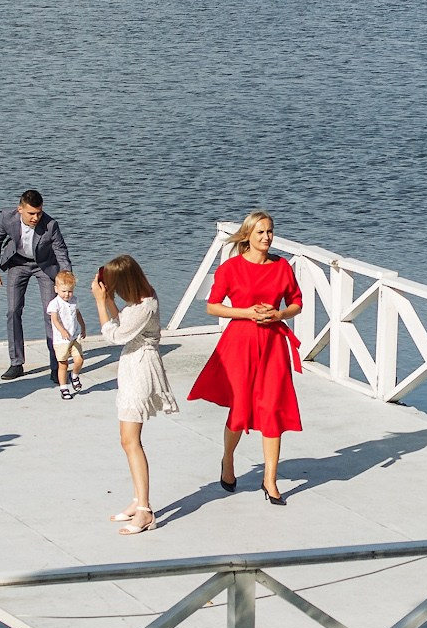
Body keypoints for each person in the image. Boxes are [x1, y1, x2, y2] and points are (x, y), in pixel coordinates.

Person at [187, 210, 302, 506]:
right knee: (239, 408)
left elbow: (296, 303)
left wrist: (279, 314)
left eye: (270, 232)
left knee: (273, 408)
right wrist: (247, 312)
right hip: (240, 343)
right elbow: (213, 307)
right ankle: (228, 460)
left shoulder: (282, 268)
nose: (267, 237)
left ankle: (270, 480)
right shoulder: (231, 269)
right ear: (248, 236)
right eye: (261, 232)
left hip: (273, 342)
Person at [93, 255, 177, 534]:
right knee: (127, 440)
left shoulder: (144, 306)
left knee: (131, 441)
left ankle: (145, 510)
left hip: (140, 370)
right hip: (134, 366)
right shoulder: (141, 300)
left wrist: (99, 301)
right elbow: (122, 322)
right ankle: (137, 500)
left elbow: (113, 335)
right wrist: (108, 301)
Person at [0, 189, 72, 381]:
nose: (35, 218)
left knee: (51, 313)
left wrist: (66, 278)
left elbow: (61, 252)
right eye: (31, 213)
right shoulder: (7, 218)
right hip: (17, 263)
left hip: (44, 266)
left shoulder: (50, 225)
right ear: (20, 209)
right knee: (13, 311)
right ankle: (16, 363)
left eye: (39, 213)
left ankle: (56, 366)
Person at [48, 271, 88, 398]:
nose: (67, 294)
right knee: (63, 364)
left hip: (74, 336)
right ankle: (63, 387)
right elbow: (54, 319)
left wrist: (83, 326)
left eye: (70, 291)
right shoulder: (55, 303)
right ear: (56, 289)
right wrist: (62, 330)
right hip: (61, 339)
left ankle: (74, 376)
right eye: (64, 291)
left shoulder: (74, 301)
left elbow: (77, 314)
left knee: (79, 360)